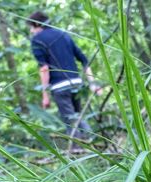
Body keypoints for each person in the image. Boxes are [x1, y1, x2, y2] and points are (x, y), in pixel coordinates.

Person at [27, 11, 101, 148]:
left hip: (59, 86)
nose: (31, 31)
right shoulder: (63, 34)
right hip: (76, 83)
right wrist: (93, 84)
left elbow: (44, 68)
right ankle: (95, 143)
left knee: (70, 121)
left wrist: (45, 95)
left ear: (37, 24)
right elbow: (84, 60)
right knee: (78, 116)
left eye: (31, 27)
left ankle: (78, 152)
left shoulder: (37, 40)